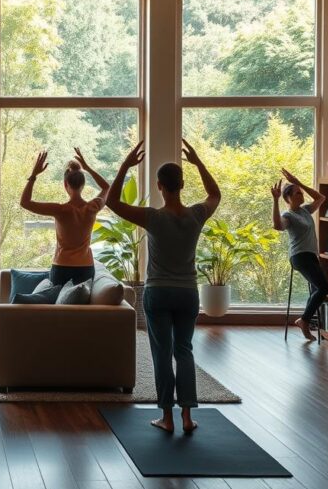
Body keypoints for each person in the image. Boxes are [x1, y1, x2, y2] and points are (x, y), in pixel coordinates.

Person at [105, 140, 220, 434]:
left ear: (159, 186)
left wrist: (124, 166)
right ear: (182, 184)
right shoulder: (196, 215)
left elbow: (113, 202)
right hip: (187, 294)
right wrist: (198, 163)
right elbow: (215, 194)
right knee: (184, 350)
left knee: (161, 353)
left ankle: (166, 418)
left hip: (158, 293)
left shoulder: (153, 218)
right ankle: (187, 417)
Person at [20, 148, 110, 286]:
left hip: (61, 266)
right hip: (85, 267)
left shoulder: (60, 210)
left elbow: (25, 202)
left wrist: (34, 175)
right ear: (83, 185)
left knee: (59, 307)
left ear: (65, 184)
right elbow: (106, 187)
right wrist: (87, 168)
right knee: (81, 307)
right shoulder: (92, 208)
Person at [270, 168, 328, 342]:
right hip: (299, 257)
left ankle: (304, 321)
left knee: (319, 288)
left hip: (311, 256)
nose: (301, 195)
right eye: (297, 193)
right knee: (324, 288)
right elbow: (278, 226)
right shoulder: (288, 215)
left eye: (301, 193)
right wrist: (275, 200)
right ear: (288, 198)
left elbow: (321, 198)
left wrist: (299, 182)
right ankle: (304, 320)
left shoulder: (305, 210)